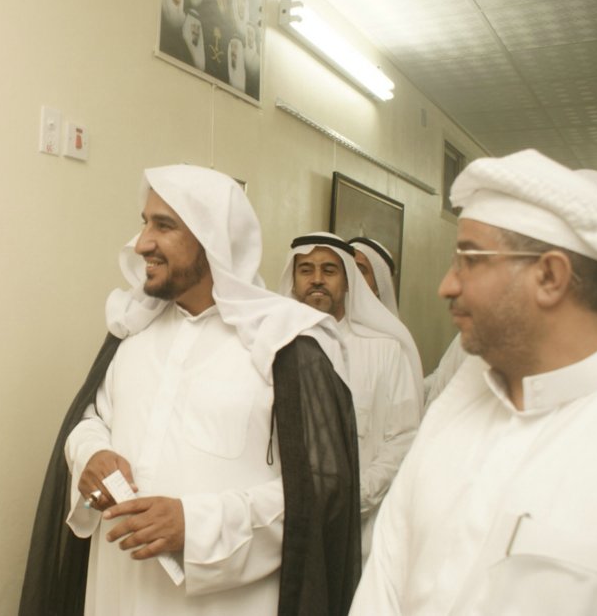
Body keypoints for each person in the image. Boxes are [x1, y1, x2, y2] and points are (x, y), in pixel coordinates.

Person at [19, 165, 362, 616]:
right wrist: (91, 454)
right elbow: (93, 418)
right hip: (117, 592)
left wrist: (196, 526)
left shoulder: (287, 345)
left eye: (163, 226)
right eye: (145, 223)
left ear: (212, 239)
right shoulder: (133, 328)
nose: (142, 242)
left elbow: (320, 493)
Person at [350, 149, 597, 615]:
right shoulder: (457, 405)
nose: (447, 286)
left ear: (550, 276)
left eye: (469, 260)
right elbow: (385, 584)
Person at [278, 233, 422, 564]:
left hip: (359, 530)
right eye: (306, 270)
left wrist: (353, 496)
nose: (317, 279)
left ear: (347, 282)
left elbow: (403, 437)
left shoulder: (385, 350)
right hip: (282, 525)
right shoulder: (272, 347)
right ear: (293, 280)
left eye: (329, 270)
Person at [348, 237, 399, 317]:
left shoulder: (384, 324)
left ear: (378, 288)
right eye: (347, 268)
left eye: (360, 271)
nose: (349, 276)